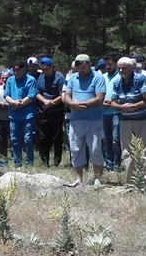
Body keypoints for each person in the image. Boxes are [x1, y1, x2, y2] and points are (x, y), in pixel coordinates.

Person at [107, 56, 146, 186]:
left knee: (145, 150)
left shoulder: (140, 79)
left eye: (124, 67)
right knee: (127, 151)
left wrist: (134, 106)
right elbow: (113, 103)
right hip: (126, 119)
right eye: (120, 68)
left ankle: (145, 182)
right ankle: (131, 181)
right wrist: (122, 107)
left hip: (144, 119)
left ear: (131, 68)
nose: (122, 70)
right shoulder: (117, 82)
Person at [63, 54, 107, 187]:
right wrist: (71, 104)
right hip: (76, 119)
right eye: (79, 68)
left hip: (94, 119)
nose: (81, 70)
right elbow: (66, 96)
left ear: (89, 64)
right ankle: (78, 179)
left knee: (95, 148)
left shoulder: (98, 77)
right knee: (75, 149)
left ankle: (97, 178)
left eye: (83, 67)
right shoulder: (73, 78)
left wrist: (83, 105)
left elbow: (99, 98)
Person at [4, 59, 38, 167]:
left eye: (18, 70)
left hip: (27, 114)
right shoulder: (10, 80)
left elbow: (32, 95)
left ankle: (29, 163)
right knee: (14, 140)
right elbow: (6, 95)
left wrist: (20, 104)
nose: (16, 73)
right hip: (14, 115)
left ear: (23, 70)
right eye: (14, 71)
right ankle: (17, 163)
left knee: (28, 139)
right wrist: (13, 102)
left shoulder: (30, 80)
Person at [35, 57, 67, 167]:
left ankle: (57, 162)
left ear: (51, 67)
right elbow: (37, 92)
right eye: (42, 69)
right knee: (43, 137)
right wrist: (44, 101)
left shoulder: (60, 78)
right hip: (43, 111)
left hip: (56, 111)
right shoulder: (40, 78)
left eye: (46, 69)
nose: (44, 71)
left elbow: (62, 94)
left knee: (57, 137)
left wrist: (51, 102)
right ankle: (44, 161)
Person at [100, 53, 121, 171]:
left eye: (110, 64)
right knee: (105, 139)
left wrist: (114, 102)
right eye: (106, 64)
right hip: (104, 112)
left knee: (115, 139)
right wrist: (101, 102)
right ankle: (109, 163)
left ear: (116, 64)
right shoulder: (103, 77)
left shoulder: (121, 76)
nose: (108, 66)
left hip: (116, 112)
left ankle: (117, 163)